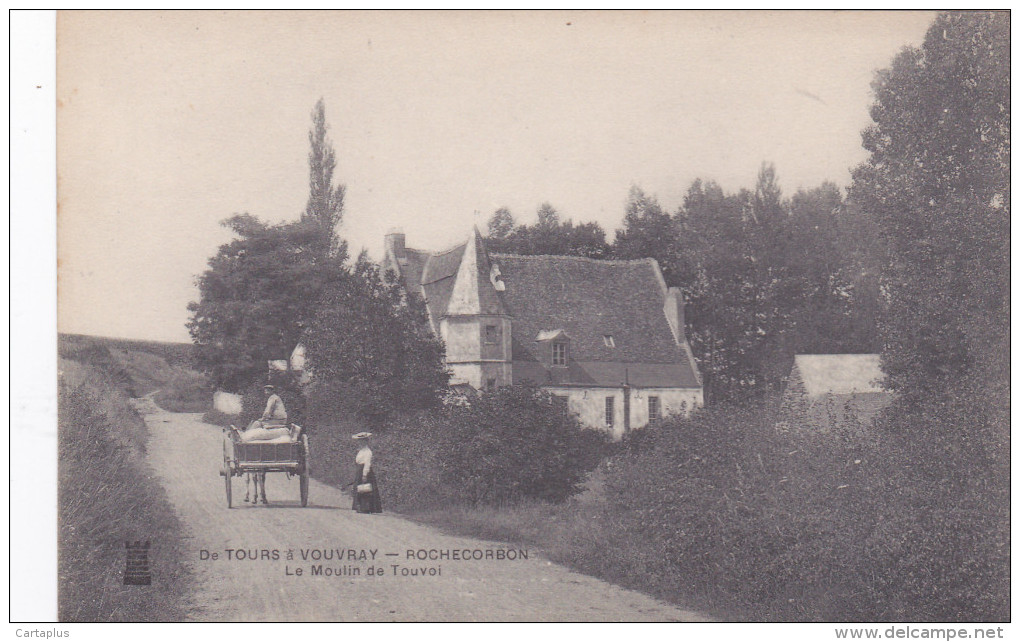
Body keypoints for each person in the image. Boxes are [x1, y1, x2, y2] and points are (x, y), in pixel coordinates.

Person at [351, 432, 382, 514]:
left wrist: (365, 474)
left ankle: (367, 508)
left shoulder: (368, 452)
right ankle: (360, 506)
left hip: (364, 470)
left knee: (366, 489)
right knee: (359, 488)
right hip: (359, 469)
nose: (360, 443)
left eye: (362, 441)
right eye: (359, 441)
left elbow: (367, 463)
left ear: (366, 441)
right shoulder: (361, 451)